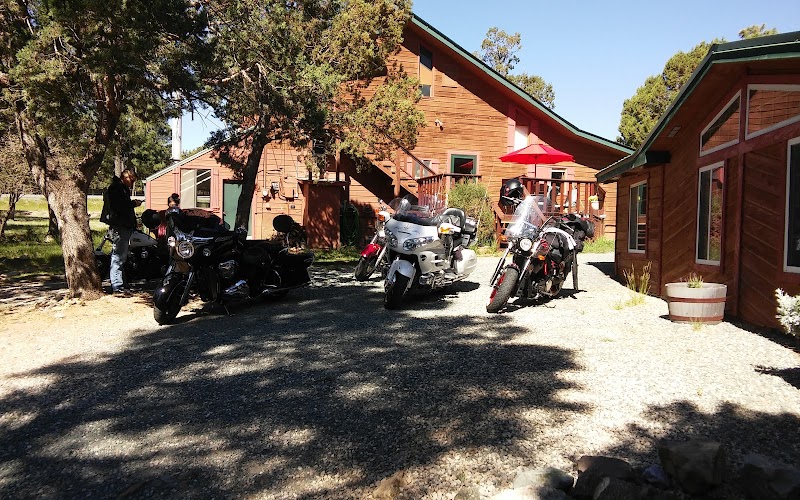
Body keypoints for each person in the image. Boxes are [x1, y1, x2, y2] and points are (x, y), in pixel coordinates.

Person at [100, 168, 142, 294]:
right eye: (132, 180)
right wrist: (133, 204)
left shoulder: (121, 189)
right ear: (125, 177)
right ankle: (117, 286)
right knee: (118, 256)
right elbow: (120, 207)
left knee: (121, 256)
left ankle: (121, 282)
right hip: (120, 226)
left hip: (124, 226)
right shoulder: (116, 189)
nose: (133, 183)